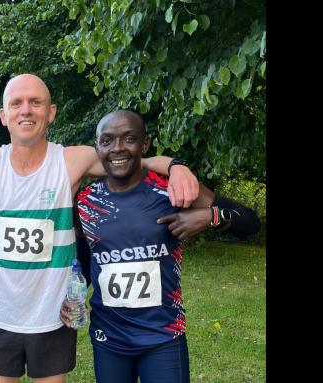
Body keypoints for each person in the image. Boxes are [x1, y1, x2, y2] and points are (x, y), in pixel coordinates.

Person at [0, 74, 199, 383]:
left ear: (51, 112)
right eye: (16, 103)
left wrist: (175, 165)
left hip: (53, 319)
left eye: (36, 102)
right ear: (3, 115)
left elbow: (127, 159)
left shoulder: (71, 160)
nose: (26, 110)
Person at [62, 110, 260, 383]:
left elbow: (249, 222)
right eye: (107, 140)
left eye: (128, 138)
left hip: (163, 336)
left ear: (144, 145)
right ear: (98, 148)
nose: (118, 147)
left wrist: (210, 216)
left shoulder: (170, 189)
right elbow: (86, 261)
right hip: (108, 338)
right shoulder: (84, 203)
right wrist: (72, 294)